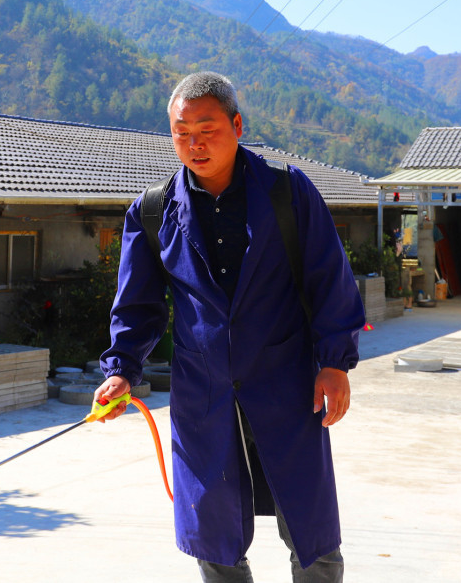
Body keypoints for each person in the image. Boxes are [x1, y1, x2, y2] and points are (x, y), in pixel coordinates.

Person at [95, 71, 365, 583]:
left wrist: (335, 362)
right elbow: (136, 305)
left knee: (312, 536)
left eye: (207, 128)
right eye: (181, 132)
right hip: (203, 396)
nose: (194, 143)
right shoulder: (153, 213)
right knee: (214, 542)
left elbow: (330, 279)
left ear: (237, 125)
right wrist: (121, 369)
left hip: (287, 388)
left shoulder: (287, 194)